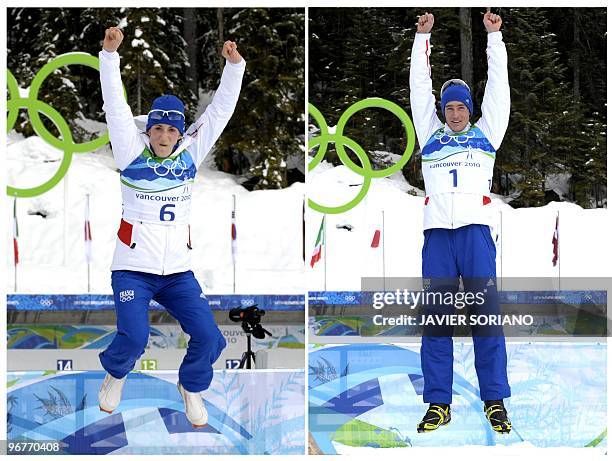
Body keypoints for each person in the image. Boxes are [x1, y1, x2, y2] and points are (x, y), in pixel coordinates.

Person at [96, 26, 245, 427]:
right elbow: (115, 104)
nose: (163, 135)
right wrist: (109, 56)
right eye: (158, 128)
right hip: (133, 270)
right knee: (134, 338)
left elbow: (219, 114)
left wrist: (234, 68)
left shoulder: (189, 156)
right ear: (149, 130)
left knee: (211, 339)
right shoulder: (131, 151)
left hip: (177, 273)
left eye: (171, 129)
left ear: (180, 132)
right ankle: (115, 374)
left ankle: (191, 386)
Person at [409, 11, 512, 433]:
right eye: (448, 107)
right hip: (437, 236)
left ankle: (494, 401)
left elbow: (500, 91)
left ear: (469, 109)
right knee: (436, 322)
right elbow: (418, 87)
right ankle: (438, 403)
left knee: (486, 319)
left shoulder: (487, 133)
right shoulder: (429, 133)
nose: (453, 114)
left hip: (475, 234)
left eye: (460, 108)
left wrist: (495, 38)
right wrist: (422, 40)